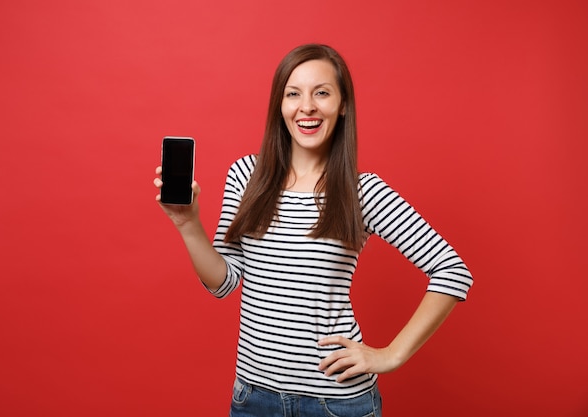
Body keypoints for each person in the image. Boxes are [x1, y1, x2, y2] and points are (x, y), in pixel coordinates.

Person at [154, 44, 473, 417]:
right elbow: (224, 282)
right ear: (280, 105)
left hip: (335, 403)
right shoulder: (246, 176)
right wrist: (187, 223)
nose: (306, 106)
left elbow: (453, 272)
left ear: (342, 106)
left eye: (321, 92)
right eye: (293, 94)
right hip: (253, 398)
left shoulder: (361, 192)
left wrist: (392, 354)